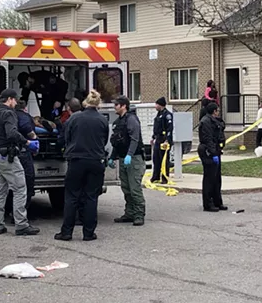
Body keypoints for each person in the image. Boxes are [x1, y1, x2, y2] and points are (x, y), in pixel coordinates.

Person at [55, 90, 109, 241]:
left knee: (72, 197)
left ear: (85, 103)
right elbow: (104, 140)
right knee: (91, 197)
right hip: (96, 161)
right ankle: (89, 233)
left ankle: (66, 232)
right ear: (98, 104)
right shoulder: (102, 120)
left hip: (77, 160)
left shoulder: (74, 118)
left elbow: (67, 137)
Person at [0, 89, 40, 236]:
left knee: (0, 191)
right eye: (15, 100)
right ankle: (21, 225)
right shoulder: (8, 113)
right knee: (20, 188)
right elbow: (11, 133)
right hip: (7, 156)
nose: (16, 103)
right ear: (10, 99)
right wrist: (27, 142)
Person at [110, 95, 146, 226]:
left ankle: (139, 214)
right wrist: (112, 157)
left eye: (116, 105)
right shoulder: (119, 121)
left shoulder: (131, 120)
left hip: (133, 159)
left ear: (123, 106)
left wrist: (130, 155)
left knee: (135, 188)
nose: (114, 107)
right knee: (126, 188)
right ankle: (129, 213)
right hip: (122, 157)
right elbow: (117, 141)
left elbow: (135, 139)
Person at [4, 101, 37, 224]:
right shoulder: (23, 116)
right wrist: (34, 138)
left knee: (11, 185)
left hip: (10, 153)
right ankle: (20, 215)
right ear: (25, 108)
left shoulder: (9, 115)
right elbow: (25, 127)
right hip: (23, 152)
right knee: (27, 183)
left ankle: (10, 212)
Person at [198, 102, 227, 212]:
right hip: (208, 151)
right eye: (217, 110)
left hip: (216, 150)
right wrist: (213, 153)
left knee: (217, 178)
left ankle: (217, 201)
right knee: (209, 178)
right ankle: (208, 203)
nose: (218, 112)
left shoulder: (214, 120)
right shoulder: (205, 121)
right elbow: (208, 138)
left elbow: (221, 128)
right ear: (214, 111)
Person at [151, 97, 173, 184]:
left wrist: (167, 140)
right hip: (158, 139)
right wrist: (153, 137)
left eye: (156, 104)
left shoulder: (167, 115)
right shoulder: (158, 114)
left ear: (161, 105)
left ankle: (165, 177)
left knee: (164, 159)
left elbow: (169, 128)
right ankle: (155, 176)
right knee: (156, 159)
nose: (155, 106)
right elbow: (156, 127)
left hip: (164, 140)